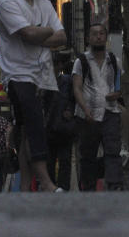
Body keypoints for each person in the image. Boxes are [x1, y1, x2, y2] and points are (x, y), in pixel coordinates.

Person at [0, 0, 66, 193]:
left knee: (27, 127)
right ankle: (46, 181)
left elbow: (62, 37)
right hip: (17, 74)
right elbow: (28, 34)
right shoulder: (7, 2)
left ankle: (26, 185)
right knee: (34, 122)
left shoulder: (44, 3)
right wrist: (44, 31)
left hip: (44, 75)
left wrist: (39, 33)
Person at [72, 23, 123, 191]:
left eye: (102, 33)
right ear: (88, 38)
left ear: (106, 37)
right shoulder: (81, 61)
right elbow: (77, 88)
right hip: (88, 115)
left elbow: (118, 87)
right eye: (94, 34)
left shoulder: (114, 61)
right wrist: (85, 108)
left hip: (110, 112)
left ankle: (114, 186)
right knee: (88, 155)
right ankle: (88, 188)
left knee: (113, 151)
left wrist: (117, 94)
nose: (98, 36)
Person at [44, 56, 76, 191]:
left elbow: (74, 98)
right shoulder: (44, 83)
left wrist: (70, 110)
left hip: (64, 127)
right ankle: (53, 188)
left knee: (64, 161)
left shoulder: (67, 81)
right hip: (49, 127)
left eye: (56, 65)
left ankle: (63, 188)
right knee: (50, 162)